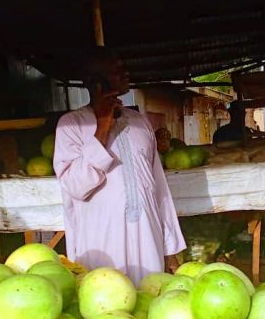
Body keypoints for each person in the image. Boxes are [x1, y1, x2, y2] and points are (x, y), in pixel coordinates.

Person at [53, 49, 186, 285]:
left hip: (148, 238)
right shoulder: (71, 125)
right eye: (116, 70)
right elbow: (76, 186)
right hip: (101, 243)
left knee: (149, 297)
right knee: (105, 300)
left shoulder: (140, 122)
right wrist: (102, 126)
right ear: (95, 83)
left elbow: (159, 189)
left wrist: (170, 247)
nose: (126, 74)